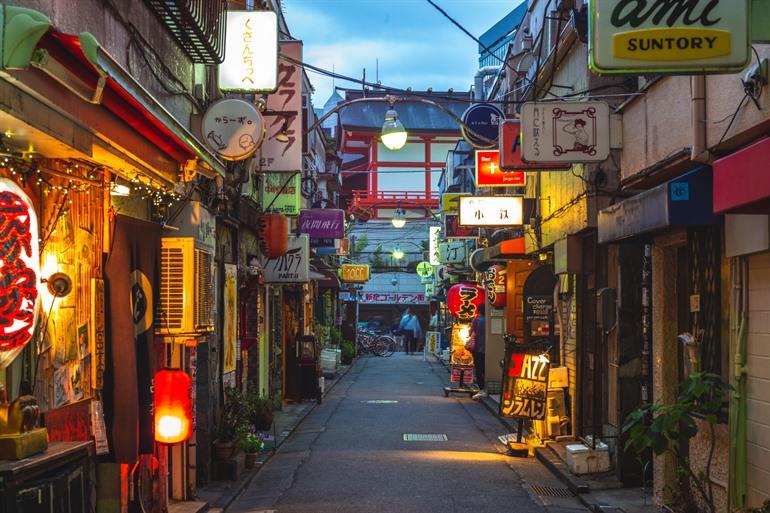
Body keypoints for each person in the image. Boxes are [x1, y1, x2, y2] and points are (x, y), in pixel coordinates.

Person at [470, 304, 486, 400]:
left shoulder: (476, 320)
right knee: (484, 367)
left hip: (477, 348)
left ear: (478, 311)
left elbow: (471, 333)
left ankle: (482, 389)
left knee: (479, 369)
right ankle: (485, 388)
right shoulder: (489, 320)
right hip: (487, 348)